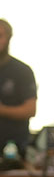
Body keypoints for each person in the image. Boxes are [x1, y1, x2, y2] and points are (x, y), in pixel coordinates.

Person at [0, 19, 37, 159]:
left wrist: (2, 110)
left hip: (13, 150)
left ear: (9, 38)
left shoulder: (22, 71)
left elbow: (30, 110)